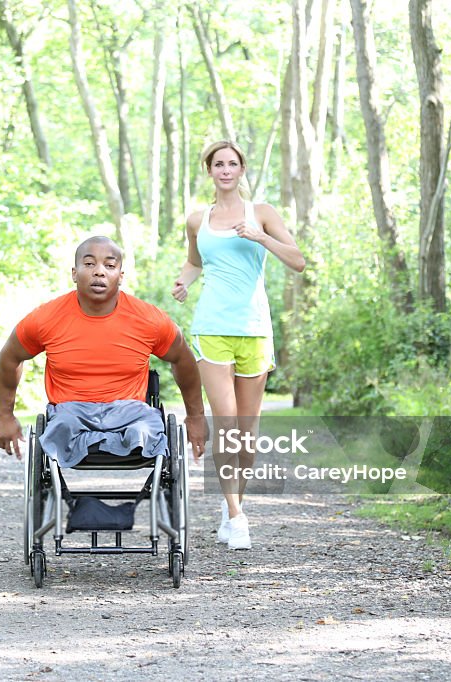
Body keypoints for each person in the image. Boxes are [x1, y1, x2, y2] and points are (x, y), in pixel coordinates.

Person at [171, 140, 305, 550]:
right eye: (218, 164)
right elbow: (195, 261)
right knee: (225, 423)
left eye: (232, 163)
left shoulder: (261, 213)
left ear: (242, 170)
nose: (225, 169)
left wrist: (260, 237)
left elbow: (298, 260)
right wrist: (184, 281)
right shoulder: (198, 219)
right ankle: (235, 514)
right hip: (212, 326)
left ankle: (234, 506)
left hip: (255, 328)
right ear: (209, 171)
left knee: (247, 433)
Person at [0, 236, 208, 467]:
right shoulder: (46, 318)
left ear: (121, 276)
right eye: (89, 264)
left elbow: (182, 358)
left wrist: (195, 416)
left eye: (109, 265)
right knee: (61, 426)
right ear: (74, 273)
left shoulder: (149, 320)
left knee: (148, 427)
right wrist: (4, 416)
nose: (99, 272)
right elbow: (11, 357)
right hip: (70, 412)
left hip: (131, 413)